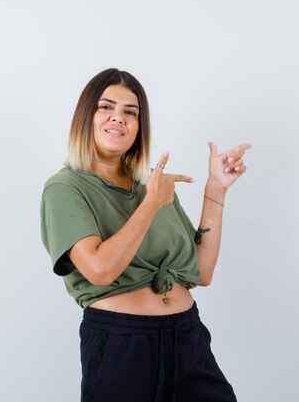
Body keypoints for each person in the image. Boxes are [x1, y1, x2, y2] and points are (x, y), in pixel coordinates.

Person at [40, 68, 251, 402]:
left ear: (139, 127)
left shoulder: (153, 184)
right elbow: (100, 270)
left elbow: (202, 272)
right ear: (85, 117)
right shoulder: (65, 188)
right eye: (106, 107)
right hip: (122, 345)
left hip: (188, 338)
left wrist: (216, 192)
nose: (118, 118)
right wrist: (151, 204)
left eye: (130, 112)